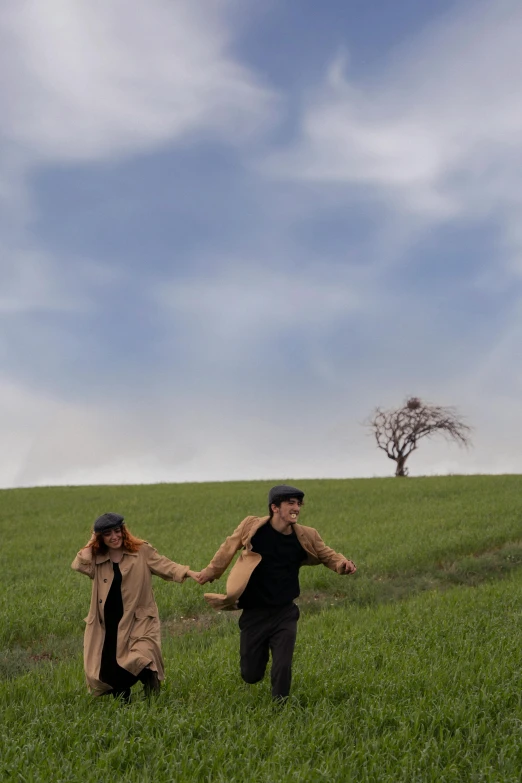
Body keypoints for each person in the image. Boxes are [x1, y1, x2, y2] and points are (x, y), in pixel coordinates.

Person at [195, 484, 356, 701]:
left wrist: (342, 564)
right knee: (251, 674)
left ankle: (280, 706)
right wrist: (210, 572)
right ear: (275, 507)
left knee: (283, 664)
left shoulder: (306, 535)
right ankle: (257, 666)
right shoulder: (253, 528)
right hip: (254, 612)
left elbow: (327, 554)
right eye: (290, 503)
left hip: (285, 612)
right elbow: (228, 547)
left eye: (298, 504)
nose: (296, 508)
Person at [72, 512, 199, 702]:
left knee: (143, 656)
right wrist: (92, 540)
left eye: (117, 531)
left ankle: (151, 689)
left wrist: (189, 572)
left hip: (137, 618)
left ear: (123, 531)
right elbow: (79, 565)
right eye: (107, 534)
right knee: (110, 665)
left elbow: (166, 565)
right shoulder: (97, 558)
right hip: (108, 621)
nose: (114, 537)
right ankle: (124, 705)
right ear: (101, 537)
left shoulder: (141, 551)